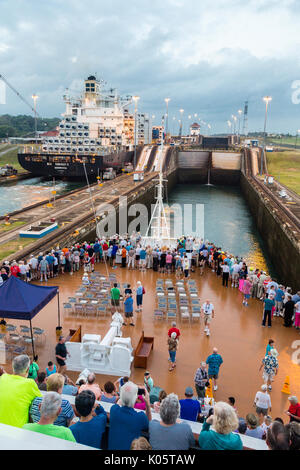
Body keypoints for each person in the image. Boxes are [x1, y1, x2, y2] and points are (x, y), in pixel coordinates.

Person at [0, 355, 42, 428]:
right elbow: (41, 402)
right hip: (17, 431)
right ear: (27, 369)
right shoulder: (30, 384)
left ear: (13, 367)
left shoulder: (3, 378)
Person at [108, 381, 151, 450]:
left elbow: (119, 402)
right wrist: (147, 404)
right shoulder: (140, 417)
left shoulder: (114, 410)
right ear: (135, 398)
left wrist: (124, 395)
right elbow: (149, 422)